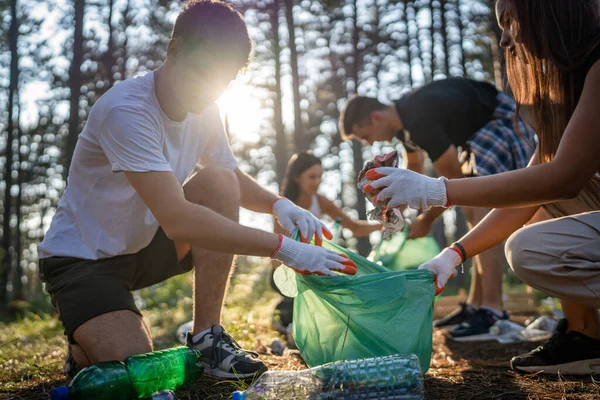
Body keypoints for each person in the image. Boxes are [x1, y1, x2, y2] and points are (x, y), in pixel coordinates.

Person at [37, 0, 356, 381]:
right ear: (174, 50)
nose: (210, 89)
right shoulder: (127, 110)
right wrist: (284, 248)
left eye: (224, 79)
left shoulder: (207, 108)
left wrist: (278, 204)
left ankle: (207, 338)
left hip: (146, 246)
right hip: (84, 259)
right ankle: (82, 347)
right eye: (203, 71)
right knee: (132, 367)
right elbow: (178, 219)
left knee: (219, 180)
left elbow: (229, 180)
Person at [360, 0, 600, 375]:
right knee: (520, 198)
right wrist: (453, 253)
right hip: (490, 137)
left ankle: (491, 308)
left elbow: (559, 179)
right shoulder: (572, 83)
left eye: (508, 21)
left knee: (514, 227)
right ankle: (583, 334)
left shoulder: (417, 117)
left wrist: (433, 196)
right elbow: (426, 174)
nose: (503, 39)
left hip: (496, 127)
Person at [339, 78, 536, 340]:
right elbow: (414, 168)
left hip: (501, 122)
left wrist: (427, 220)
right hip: (476, 134)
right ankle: (477, 305)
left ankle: (493, 310)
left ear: (375, 117)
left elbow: (453, 185)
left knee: (480, 211)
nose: (371, 143)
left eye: (366, 136)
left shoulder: (419, 120)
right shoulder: (405, 125)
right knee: (472, 212)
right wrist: (402, 213)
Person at [270, 151, 380, 335]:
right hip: (286, 271)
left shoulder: (320, 201)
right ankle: (284, 311)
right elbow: (276, 253)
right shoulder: (284, 207)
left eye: (320, 176)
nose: (317, 181)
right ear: (297, 177)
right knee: (296, 317)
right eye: (311, 177)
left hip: (312, 267)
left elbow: (354, 227)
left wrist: (380, 225)